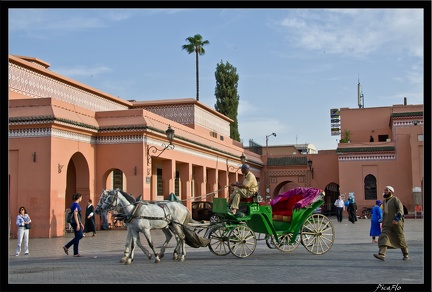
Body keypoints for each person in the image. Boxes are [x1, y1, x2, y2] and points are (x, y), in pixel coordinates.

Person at [374, 186, 409, 261]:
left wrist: (397, 218)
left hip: (396, 223)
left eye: (387, 190)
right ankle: (381, 254)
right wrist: (382, 220)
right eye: (384, 190)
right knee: (383, 236)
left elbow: (400, 210)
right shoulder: (384, 201)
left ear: (391, 192)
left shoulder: (395, 199)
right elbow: (385, 213)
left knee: (400, 237)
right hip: (387, 223)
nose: (385, 191)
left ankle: (406, 254)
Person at [63, 193, 84, 257]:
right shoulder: (75, 205)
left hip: (77, 222)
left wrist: (81, 223)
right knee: (79, 236)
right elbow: (75, 215)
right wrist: (78, 224)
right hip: (75, 222)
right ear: (79, 197)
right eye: (81, 197)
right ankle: (67, 246)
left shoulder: (74, 204)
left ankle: (75, 252)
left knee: (77, 236)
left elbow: (78, 215)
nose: (81, 198)